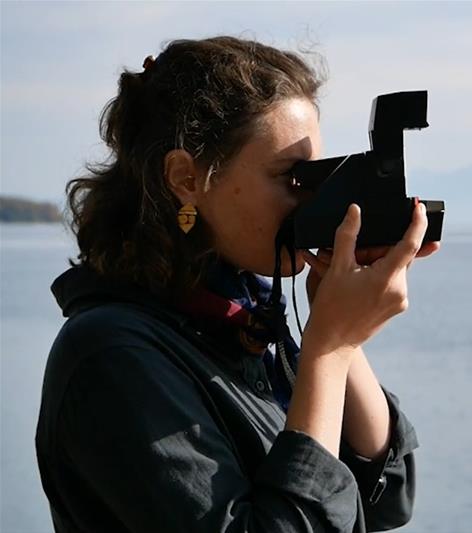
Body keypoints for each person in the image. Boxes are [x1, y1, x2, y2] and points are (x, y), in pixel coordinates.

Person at [35, 36, 439, 532]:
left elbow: (387, 497)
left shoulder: (237, 313)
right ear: (186, 178)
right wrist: (329, 349)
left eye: (317, 177)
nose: (313, 200)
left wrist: (337, 338)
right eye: (292, 177)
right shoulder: (110, 357)